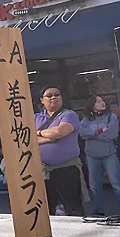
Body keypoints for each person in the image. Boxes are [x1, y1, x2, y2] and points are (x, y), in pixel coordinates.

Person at [79, 95, 120, 217]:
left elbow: (112, 134)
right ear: (92, 106)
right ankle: (98, 210)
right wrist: (100, 131)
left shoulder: (111, 117)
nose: (102, 103)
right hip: (92, 155)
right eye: (98, 102)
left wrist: (93, 136)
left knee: (117, 182)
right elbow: (82, 134)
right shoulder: (85, 121)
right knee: (94, 185)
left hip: (109, 154)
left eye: (102, 101)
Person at [35, 86, 85, 216]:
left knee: (73, 208)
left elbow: (59, 132)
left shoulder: (69, 115)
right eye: (49, 95)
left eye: (57, 94)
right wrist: (49, 139)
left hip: (67, 169)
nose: (53, 97)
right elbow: (28, 139)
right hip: (43, 171)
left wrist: (39, 133)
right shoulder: (35, 118)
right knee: (47, 210)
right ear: (42, 100)